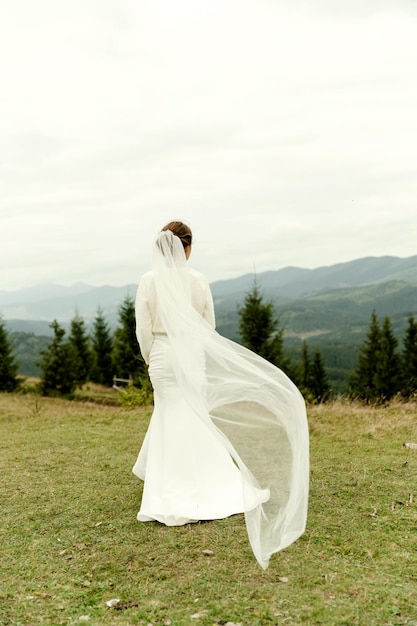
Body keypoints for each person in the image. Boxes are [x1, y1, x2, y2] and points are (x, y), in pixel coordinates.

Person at [132, 221, 309, 569]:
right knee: (193, 417)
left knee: (170, 415)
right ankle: (204, 482)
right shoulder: (197, 280)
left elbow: (142, 329)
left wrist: (154, 356)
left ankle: (170, 488)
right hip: (191, 357)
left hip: (165, 358)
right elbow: (208, 326)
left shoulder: (148, 281)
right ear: (188, 247)